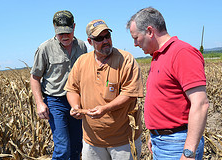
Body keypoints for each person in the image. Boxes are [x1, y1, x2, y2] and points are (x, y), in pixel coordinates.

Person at [127, 7, 209, 160]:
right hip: (163, 142)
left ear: (150, 31)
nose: (135, 44)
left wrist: (188, 152)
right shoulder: (158, 56)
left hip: (177, 145)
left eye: (136, 37)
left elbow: (201, 103)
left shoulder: (181, 53)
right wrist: (155, 134)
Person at [64, 19, 143, 160]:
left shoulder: (126, 60)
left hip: (123, 140)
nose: (106, 41)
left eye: (108, 36)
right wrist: (75, 107)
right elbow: (72, 89)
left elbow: (130, 94)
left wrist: (105, 109)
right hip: (92, 140)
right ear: (90, 41)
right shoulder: (82, 62)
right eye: (100, 38)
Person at [30, 10, 87, 160]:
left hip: (76, 101)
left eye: (68, 32)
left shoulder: (82, 46)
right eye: (60, 33)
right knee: (62, 148)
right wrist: (39, 103)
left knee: (76, 146)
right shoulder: (45, 48)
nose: (64, 36)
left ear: (74, 27)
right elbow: (35, 77)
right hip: (55, 101)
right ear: (54, 28)